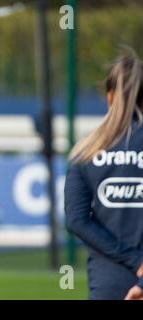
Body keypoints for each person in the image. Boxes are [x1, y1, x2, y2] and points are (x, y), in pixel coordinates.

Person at [65, 48, 143, 300]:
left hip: (106, 284)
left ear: (109, 98)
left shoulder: (85, 150)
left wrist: (133, 258)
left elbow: (76, 220)